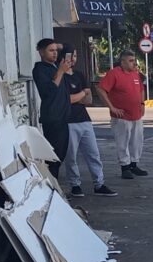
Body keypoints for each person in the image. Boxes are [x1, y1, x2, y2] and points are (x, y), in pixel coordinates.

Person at [58, 44, 117, 197]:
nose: (73, 60)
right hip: (67, 122)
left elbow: (88, 99)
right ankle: (75, 185)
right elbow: (65, 100)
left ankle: (99, 183)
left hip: (84, 120)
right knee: (71, 156)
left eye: (75, 56)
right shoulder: (59, 76)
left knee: (93, 154)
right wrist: (79, 95)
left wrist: (78, 97)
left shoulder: (79, 75)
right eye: (70, 56)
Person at [97, 50, 148, 180]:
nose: (133, 63)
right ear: (123, 61)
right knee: (122, 142)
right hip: (121, 117)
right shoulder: (114, 74)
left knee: (137, 141)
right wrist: (112, 107)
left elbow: (141, 90)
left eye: (134, 60)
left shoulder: (135, 74)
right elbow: (101, 89)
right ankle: (124, 167)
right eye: (130, 61)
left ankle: (134, 164)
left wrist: (142, 104)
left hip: (136, 115)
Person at [32, 38, 72, 178]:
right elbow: (48, 92)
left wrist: (61, 45)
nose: (55, 54)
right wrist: (60, 72)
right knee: (53, 157)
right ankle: (52, 186)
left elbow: (69, 47)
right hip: (52, 118)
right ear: (41, 52)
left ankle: (55, 185)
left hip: (63, 117)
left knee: (61, 154)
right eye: (51, 50)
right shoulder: (40, 69)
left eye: (56, 50)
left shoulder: (55, 66)